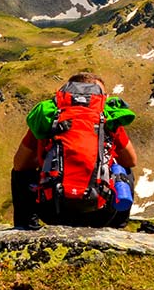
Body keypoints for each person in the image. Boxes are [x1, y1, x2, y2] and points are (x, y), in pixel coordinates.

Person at [10, 71, 138, 229]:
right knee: (124, 170)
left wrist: (44, 158)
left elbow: (20, 164)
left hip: (52, 210)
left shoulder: (49, 115)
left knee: (20, 174)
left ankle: (25, 225)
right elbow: (131, 160)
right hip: (100, 213)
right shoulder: (108, 116)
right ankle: (117, 227)